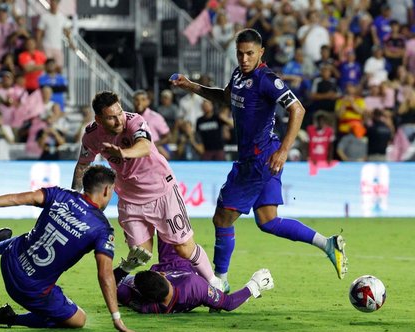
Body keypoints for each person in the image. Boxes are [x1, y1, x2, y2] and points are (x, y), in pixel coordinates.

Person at [170, 29, 348, 291]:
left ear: (261, 52)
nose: (244, 59)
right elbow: (224, 97)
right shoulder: (239, 75)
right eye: (240, 53)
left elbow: (297, 109)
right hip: (261, 156)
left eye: (250, 53)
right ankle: (328, 244)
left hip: (260, 158)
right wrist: (190, 86)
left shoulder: (267, 79)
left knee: (222, 219)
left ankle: (219, 283)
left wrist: (285, 150)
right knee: (267, 221)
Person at [0, 165, 134, 332]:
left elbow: (17, 199)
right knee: (78, 320)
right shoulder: (102, 228)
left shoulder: (59, 194)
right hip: (30, 290)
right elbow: (105, 274)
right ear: (108, 190)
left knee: (35, 235)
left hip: (10, 259)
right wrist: (116, 316)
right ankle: (11, 317)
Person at [72, 91, 227, 292]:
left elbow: (144, 146)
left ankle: (214, 283)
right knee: (140, 254)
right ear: (99, 119)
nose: (119, 119)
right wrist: (74, 197)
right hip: (130, 199)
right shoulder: (92, 136)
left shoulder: (134, 121)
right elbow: (83, 165)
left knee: (183, 247)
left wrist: (123, 152)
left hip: (162, 190)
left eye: (119, 112)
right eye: (111, 117)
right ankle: (125, 284)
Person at [115, 239, 274, 314]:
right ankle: (216, 282)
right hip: (182, 264)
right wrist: (254, 285)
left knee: (164, 223)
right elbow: (229, 303)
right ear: (162, 275)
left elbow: (112, 284)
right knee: (172, 228)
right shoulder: (194, 286)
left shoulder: (136, 296)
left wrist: (125, 268)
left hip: (168, 263)